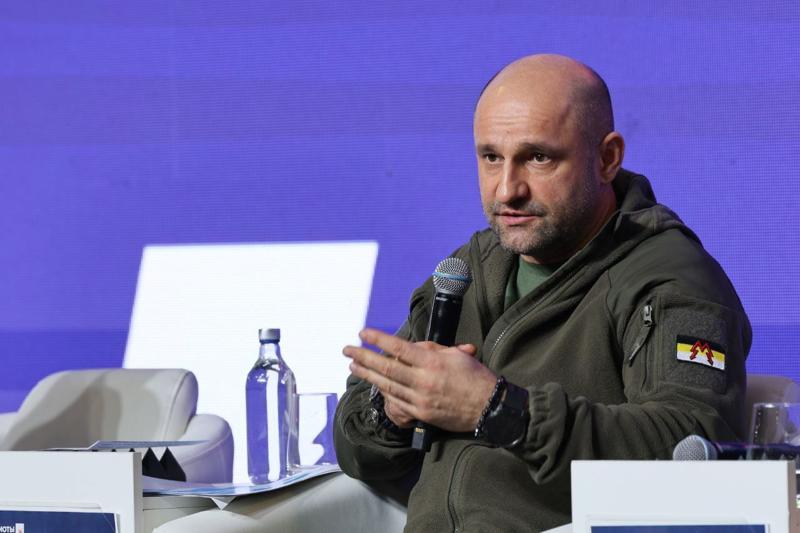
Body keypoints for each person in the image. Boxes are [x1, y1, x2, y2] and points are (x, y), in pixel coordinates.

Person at [334, 54, 751, 532]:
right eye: (491, 157)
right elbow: (353, 446)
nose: (506, 190)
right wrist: (393, 411)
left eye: (537, 157)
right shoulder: (467, 271)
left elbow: (692, 450)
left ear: (607, 158)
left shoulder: (672, 280)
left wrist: (500, 411)